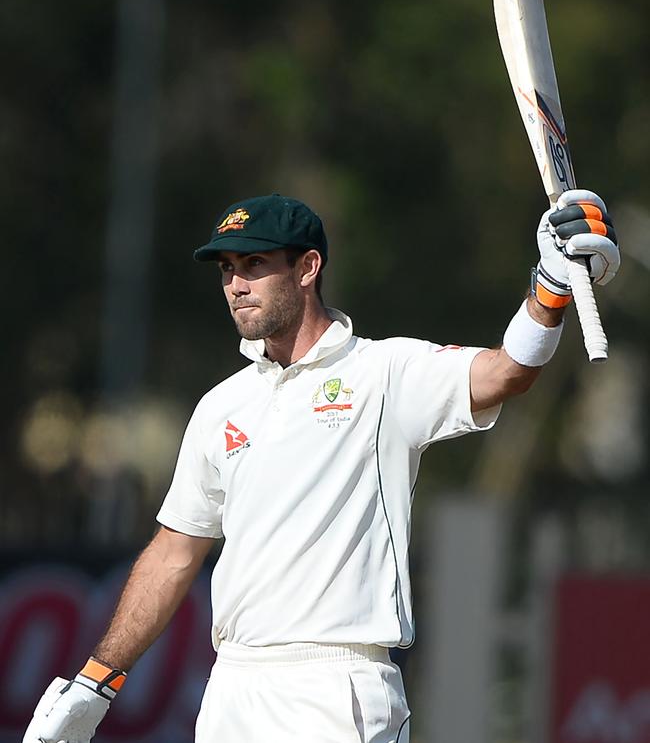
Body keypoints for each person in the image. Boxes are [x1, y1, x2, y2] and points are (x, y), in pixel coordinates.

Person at [23, 191, 619, 743]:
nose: (235, 284)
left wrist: (548, 290)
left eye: (253, 265)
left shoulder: (384, 373)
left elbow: (506, 372)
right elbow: (173, 553)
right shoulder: (220, 407)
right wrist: (98, 678)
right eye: (227, 269)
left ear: (307, 268)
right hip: (234, 684)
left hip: (339, 686)